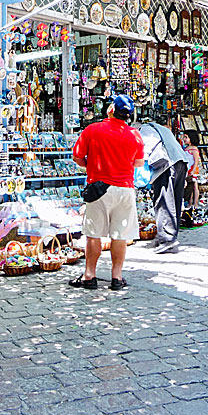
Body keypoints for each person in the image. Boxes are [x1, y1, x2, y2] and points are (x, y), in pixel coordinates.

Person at [70, 95, 144, 291]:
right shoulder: (135, 135)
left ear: (111, 109)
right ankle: (117, 278)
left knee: (93, 234)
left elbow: (77, 156)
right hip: (125, 189)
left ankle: (89, 276)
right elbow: (138, 163)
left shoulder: (93, 130)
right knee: (120, 235)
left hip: (99, 188)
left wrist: (91, 166)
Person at [139, 121, 191, 254]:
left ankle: (168, 240)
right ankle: (168, 235)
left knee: (164, 202)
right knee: (175, 201)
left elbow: (147, 148)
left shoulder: (145, 129)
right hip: (180, 162)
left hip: (167, 165)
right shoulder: (162, 128)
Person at [181, 131, 201, 208]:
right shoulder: (186, 148)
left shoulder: (194, 149)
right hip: (187, 169)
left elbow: (196, 161)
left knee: (195, 186)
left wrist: (193, 170)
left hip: (193, 169)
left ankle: (195, 203)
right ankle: (190, 202)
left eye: (186, 137)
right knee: (190, 186)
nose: (184, 139)